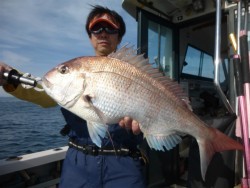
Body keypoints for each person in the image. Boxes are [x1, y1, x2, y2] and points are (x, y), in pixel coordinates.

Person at [0, 5, 146, 188]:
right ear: (90, 36)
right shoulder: (77, 70)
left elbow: (153, 109)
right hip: (78, 165)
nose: (103, 33)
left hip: (124, 165)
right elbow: (42, 90)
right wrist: (9, 77)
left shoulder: (138, 73)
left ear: (119, 36)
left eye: (110, 29)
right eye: (96, 28)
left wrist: (146, 124)